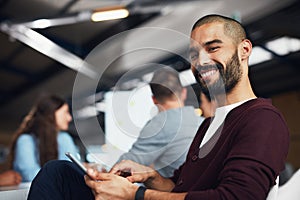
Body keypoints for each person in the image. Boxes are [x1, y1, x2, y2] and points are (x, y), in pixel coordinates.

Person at [27, 14, 289, 200]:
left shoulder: (262, 119)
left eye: (213, 48)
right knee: (60, 173)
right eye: (194, 54)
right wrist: (150, 176)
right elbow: (179, 186)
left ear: (244, 50)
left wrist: (136, 195)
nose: (201, 61)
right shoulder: (208, 124)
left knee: (57, 176)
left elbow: (236, 196)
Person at [116, 67, 203, 178]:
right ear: (184, 93)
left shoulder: (160, 124)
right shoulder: (202, 122)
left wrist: (103, 173)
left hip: (173, 191)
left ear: (154, 100)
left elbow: (126, 166)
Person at [9, 94, 78, 182]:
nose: (69, 118)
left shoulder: (64, 138)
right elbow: (30, 175)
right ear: (51, 113)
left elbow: (70, 171)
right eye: (65, 112)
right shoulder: (25, 140)